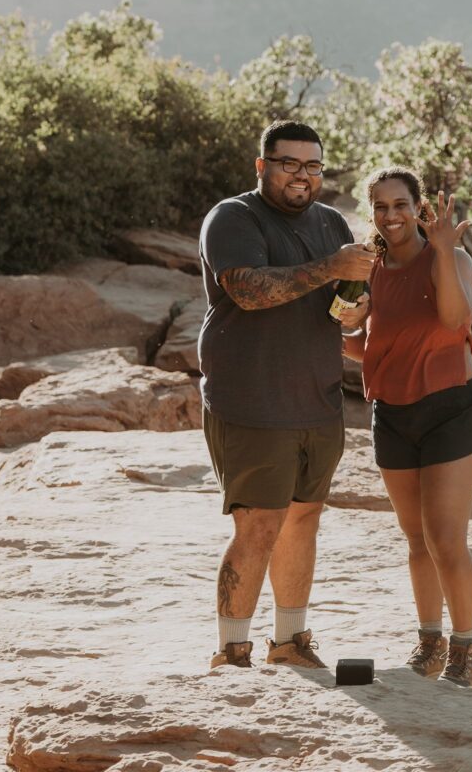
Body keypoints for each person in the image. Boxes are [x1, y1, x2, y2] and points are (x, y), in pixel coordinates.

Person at [199, 119, 376, 671]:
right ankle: (231, 652)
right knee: (259, 524)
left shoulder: (330, 222)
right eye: (289, 164)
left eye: (313, 166)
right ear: (263, 166)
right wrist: (332, 268)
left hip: (317, 400)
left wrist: (355, 311)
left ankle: (290, 644)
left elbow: (335, 311)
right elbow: (248, 291)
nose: (303, 175)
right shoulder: (233, 217)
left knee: (304, 519)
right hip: (252, 401)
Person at [342, 166, 472, 687]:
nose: (390, 215)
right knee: (416, 539)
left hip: (451, 407)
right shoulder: (369, 268)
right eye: (380, 207)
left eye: (400, 204)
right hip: (393, 413)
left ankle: (466, 653)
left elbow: (452, 320)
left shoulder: (453, 259)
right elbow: (372, 345)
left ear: (417, 206)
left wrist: (444, 249)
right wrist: (338, 329)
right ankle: (430, 641)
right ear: (372, 212)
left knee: (446, 538)